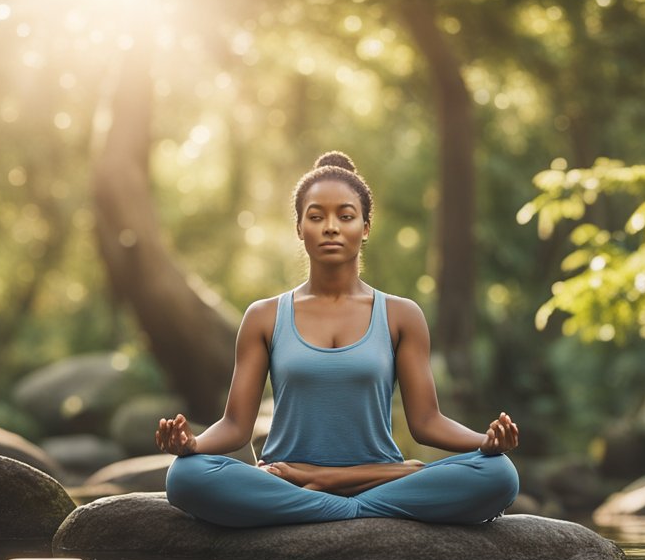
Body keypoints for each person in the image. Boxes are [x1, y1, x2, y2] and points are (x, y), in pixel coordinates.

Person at [156, 151, 519, 528]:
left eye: (345, 216)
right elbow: (235, 426)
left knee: (500, 473)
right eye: (316, 217)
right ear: (299, 227)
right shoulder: (264, 316)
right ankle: (365, 504)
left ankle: (325, 493)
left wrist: (486, 442)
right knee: (184, 476)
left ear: (365, 227)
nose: (331, 227)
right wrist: (192, 445)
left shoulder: (401, 314)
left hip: (298, 484)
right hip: (302, 476)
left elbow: (427, 421)